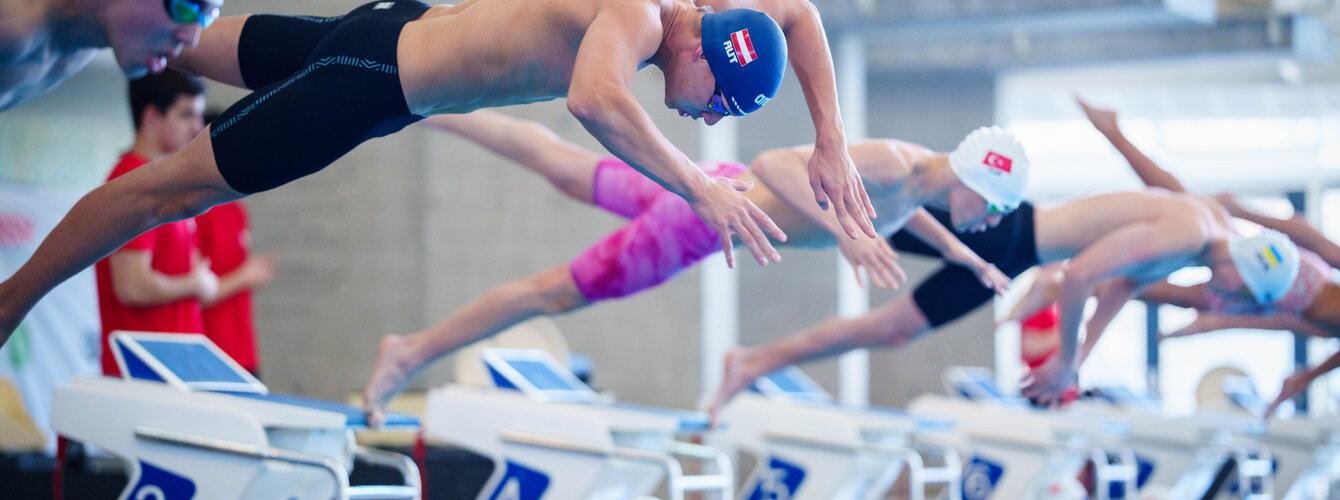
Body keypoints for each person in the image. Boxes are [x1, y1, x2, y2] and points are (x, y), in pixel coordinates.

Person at [0, 0, 823, 346]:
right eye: (719, 102)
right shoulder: (641, 16)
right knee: (164, 193)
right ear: (705, 51)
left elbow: (799, 13)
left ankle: (40, 26)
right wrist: (698, 185)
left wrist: (832, 143)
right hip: (371, 80)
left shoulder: (696, 18)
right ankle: (11, 301)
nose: (710, 119)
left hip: (385, 35)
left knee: (163, 37)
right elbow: (594, 98)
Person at [360, 110, 1027, 425]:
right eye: (993, 211)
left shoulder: (917, 177)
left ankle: (428, 107)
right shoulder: (893, 163)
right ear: (971, 181)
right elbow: (775, 164)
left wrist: (967, 257)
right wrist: (843, 237)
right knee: (551, 294)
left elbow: (899, 212)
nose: (991, 223)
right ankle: (410, 352)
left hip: (710, 183)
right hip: (696, 224)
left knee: (567, 168)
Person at [705, 187, 1303, 417]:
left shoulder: (1203, 233)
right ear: (1244, 269)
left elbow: (1122, 285)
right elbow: (1079, 275)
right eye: (1241, 293)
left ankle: (753, 362)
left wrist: (1078, 360)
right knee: (851, 219)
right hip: (1004, 233)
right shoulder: (1190, 234)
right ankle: (738, 192)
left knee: (894, 329)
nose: (1227, 299)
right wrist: (1065, 357)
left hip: (1011, 252)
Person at [1076, 96, 1340, 417]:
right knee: (1188, 222)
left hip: (1275, 288)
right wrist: (1244, 211)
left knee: (1184, 228)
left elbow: (1282, 317)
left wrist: (1302, 379)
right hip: (1276, 277)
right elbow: (1315, 242)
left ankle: (1078, 275)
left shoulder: (1315, 318)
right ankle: (1111, 134)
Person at [94, 69, 215, 376]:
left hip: (173, 367)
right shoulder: (131, 180)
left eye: (198, 116)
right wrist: (195, 283)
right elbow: (131, 286)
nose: (197, 128)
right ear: (151, 117)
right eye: (186, 115)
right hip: (143, 372)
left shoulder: (164, 184)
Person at [0, 0, 219, 111]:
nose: (191, 39)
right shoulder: (12, 26)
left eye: (206, 18)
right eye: (184, 8)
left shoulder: (79, 50)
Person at [195, 201, 274, 376]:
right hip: (212, 350)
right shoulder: (199, 211)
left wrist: (247, 276)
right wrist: (243, 277)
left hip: (243, 351)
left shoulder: (236, 210)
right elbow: (192, 295)